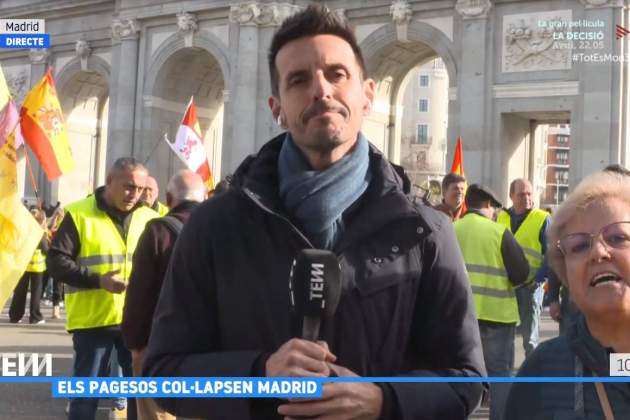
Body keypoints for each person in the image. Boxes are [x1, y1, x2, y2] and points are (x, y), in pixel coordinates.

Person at [143, 6, 485, 420]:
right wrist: (258, 374)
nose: (320, 89)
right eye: (299, 80)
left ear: (368, 94)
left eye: (337, 74)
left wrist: (383, 400)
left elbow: (467, 381)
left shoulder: (425, 230)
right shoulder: (214, 225)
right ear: (277, 108)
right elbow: (163, 375)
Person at [504, 170, 630, 419]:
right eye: (579, 246)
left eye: (617, 237)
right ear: (566, 274)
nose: (599, 252)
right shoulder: (540, 374)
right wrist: (552, 299)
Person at [47, 157, 158, 420]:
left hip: (137, 321)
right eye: (129, 186)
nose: (135, 194)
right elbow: (56, 262)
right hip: (92, 323)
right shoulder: (78, 213)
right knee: (86, 397)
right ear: (109, 181)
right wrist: (99, 281)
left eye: (141, 189)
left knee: (139, 397)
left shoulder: (150, 218)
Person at [122, 169, 206, 420]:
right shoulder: (221, 231)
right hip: (207, 347)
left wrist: (135, 342)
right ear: (204, 198)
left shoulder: (158, 231)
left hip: (157, 342)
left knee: (154, 412)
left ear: (168, 198)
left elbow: (140, 292)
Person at [454, 184, 529, 420]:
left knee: (459, 376)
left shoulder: (450, 229)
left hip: (458, 319)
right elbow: (521, 273)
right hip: (497, 318)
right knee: (499, 377)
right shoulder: (498, 232)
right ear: (488, 205)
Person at [497, 178, 551, 357]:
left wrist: (538, 281)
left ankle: (531, 379)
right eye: (521, 194)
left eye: (529, 193)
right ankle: (507, 377)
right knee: (506, 337)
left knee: (530, 339)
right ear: (511, 196)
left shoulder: (543, 219)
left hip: (530, 288)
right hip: (506, 288)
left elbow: (551, 254)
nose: (526, 197)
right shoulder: (500, 217)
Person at [9, 207, 49, 325]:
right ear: (41, 221)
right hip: (37, 267)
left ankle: (15, 315)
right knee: (36, 293)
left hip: (23, 265)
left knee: (20, 292)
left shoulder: (23, 231)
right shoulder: (40, 233)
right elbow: (46, 249)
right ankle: (35, 316)